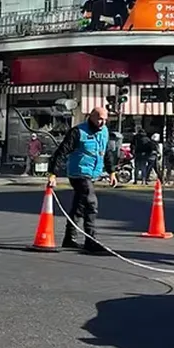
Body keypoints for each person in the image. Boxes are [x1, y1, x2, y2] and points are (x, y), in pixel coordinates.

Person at [48, 107, 115, 255]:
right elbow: (61, 152)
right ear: (91, 117)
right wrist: (53, 173)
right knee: (91, 203)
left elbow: (107, 152)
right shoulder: (77, 132)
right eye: (99, 118)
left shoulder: (104, 132)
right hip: (78, 173)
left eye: (105, 119)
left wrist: (112, 172)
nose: (102, 122)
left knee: (79, 205)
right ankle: (91, 240)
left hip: (92, 174)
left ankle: (69, 237)